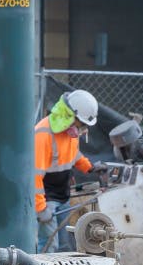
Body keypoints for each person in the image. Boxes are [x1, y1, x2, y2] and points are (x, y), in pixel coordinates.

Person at [34, 89, 106, 253]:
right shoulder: (43, 134)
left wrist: (90, 168)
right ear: (70, 116)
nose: (83, 128)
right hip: (47, 201)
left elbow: (73, 155)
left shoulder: (68, 133)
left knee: (64, 245)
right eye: (82, 123)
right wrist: (41, 208)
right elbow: (34, 175)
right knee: (48, 245)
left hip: (62, 196)